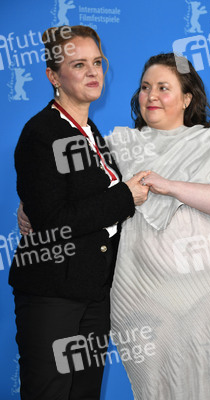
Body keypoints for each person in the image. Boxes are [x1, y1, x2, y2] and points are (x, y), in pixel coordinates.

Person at [105, 53, 210, 399]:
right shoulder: (118, 146)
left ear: (187, 98)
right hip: (143, 303)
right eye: (145, 87)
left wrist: (172, 186)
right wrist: (32, 206)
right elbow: (79, 196)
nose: (151, 96)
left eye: (164, 87)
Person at [9, 25, 149, 400]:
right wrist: (125, 196)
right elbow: (54, 221)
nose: (93, 72)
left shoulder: (91, 132)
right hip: (53, 294)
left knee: (84, 393)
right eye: (78, 64)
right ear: (53, 76)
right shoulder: (42, 132)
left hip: (93, 293)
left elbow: (67, 203)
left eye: (97, 62)